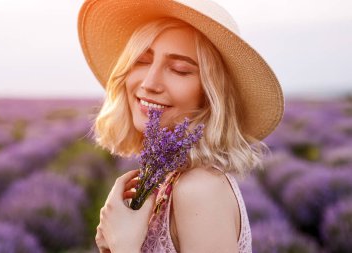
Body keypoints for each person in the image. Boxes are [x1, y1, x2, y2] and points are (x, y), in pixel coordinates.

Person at [77, 0, 284, 252]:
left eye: (179, 69)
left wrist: (124, 246)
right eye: (142, 60)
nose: (150, 83)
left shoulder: (200, 190)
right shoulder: (169, 180)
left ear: (210, 95)